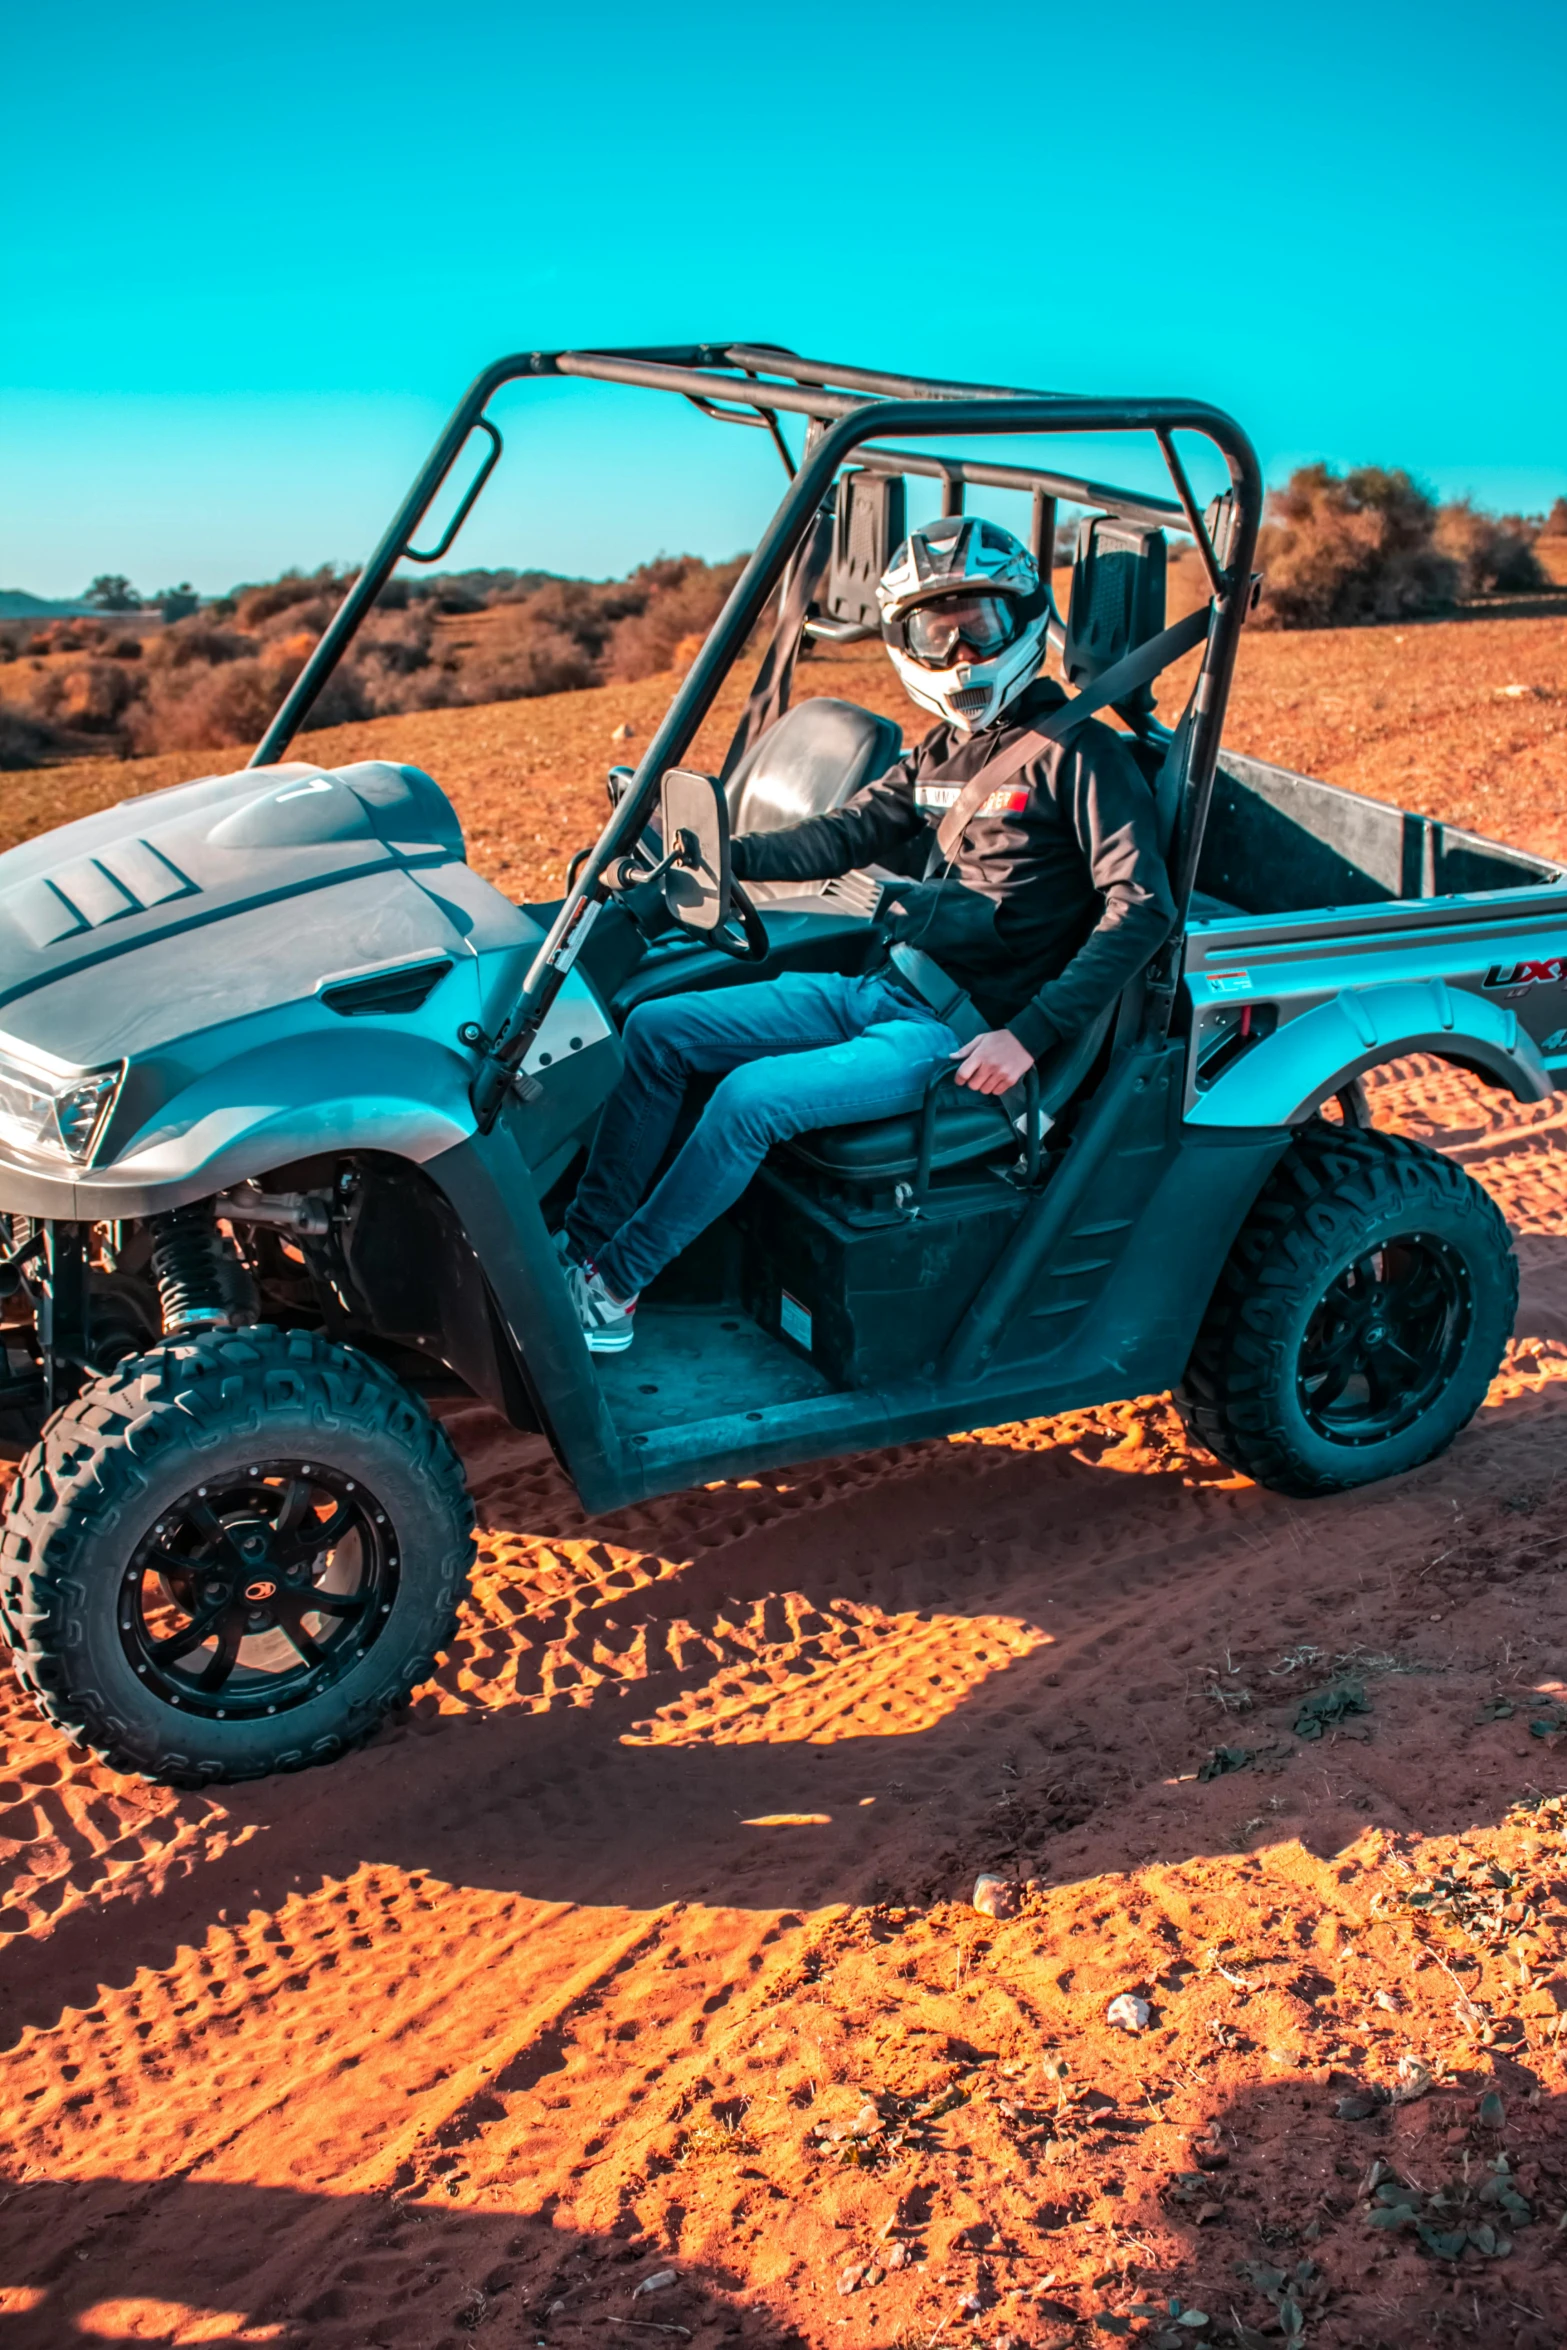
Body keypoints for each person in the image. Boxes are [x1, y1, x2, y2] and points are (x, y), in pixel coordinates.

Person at [558, 513, 1177, 1352]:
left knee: (749, 1100)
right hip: (880, 991)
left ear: (1023, 618)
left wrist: (1027, 1037)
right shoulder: (940, 754)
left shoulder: (1078, 757)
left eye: (980, 627)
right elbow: (838, 834)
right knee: (658, 1030)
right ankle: (583, 1246)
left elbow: (1140, 907)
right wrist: (712, 856)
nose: (962, 656)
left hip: (957, 1039)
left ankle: (612, 1287)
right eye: (938, 633)